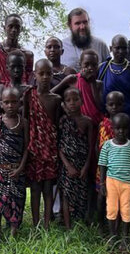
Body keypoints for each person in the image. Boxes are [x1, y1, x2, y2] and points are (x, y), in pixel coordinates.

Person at [0, 87, 29, 241]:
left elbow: (26, 148)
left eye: (14, 102)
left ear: (19, 103)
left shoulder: (23, 122)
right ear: (1, 104)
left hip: (17, 170)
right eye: (7, 102)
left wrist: (20, 168)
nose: (10, 105)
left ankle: (13, 231)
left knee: (17, 201)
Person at [26, 59, 62, 229]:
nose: (45, 77)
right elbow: (26, 122)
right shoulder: (28, 96)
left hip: (50, 149)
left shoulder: (56, 99)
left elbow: (55, 126)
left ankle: (46, 224)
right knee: (34, 189)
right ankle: (35, 223)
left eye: (49, 73)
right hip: (34, 150)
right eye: (41, 73)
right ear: (35, 75)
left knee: (48, 188)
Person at [99, 113, 130, 245]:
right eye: (117, 128)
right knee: (111, 209)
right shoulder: (107, 145)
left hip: (128, 183)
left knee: (126, 210)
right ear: (112, 128)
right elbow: (102, 164)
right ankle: (112, 236)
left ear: (129, 129)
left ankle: (125, 238)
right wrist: (102, 183)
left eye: (124, 128)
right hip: (111, 182)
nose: (121, 131)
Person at [59, 87, 95, 229]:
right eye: (68, 100)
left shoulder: (87, 122)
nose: (72, 103)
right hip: (67, 164)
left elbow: (91, 146)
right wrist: (67, 165)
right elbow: (60, 146)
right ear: (65, 103)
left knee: (81, 194)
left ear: (82, 101)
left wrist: (86, 166)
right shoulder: (63, 121)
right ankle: (68, 226)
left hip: (82, 164)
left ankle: (81, 222)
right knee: (67, 194)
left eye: (75, 99)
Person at [98, 35, 130, 135]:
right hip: (108, 120)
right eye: (117, 48)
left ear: (128, 49)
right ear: (111, 49)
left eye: (124, 48)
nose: (121, 51)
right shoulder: (102, 68)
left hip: (129, 119)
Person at [54, 49, 104, 125]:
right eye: (86, 64)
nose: (90, 68)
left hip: (96, 123)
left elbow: (99, 106)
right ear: (80, 64)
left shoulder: (98, 84)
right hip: (77, 124)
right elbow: (52, 93)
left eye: (94, 65)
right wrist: (63, 106)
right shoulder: (72, 79)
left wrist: (92, 82)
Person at [95, 91, 123, 227]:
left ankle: (115, 226)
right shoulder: (102, 124)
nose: (114, 107)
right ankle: (100, 223)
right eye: (111, 104)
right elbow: (97, 145)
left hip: (118, 168)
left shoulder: (124, 126)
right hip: (102, 168)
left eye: (118, 105)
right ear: (106, 106)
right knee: (101, 196)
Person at [0, 14, 34, 86]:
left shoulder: (27, 54)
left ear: (21, 29)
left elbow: (29, 79)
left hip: (18, 93)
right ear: (4, 28)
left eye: (17, 27)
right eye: (10, 26)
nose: (14, 30)